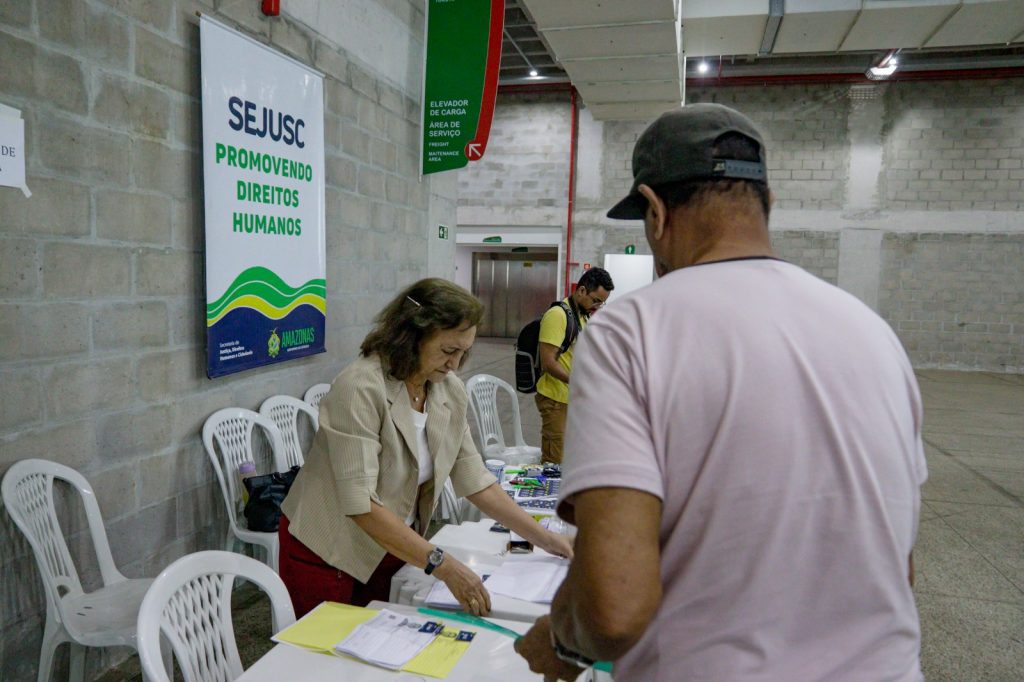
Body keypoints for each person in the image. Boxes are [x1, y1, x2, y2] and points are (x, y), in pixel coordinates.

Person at [515, 103, 927, 681]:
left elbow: (614, 606)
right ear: (768, 204)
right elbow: (896, 566)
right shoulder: (873, 334)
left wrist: (561, 640)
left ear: (655, 213)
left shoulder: (632, 333)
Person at [280, 278, 573, 618]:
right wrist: (444, 565)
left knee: (374, 649)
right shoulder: (361, 388)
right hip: (327, 547)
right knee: (327, 660)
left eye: (465, 352)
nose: (455, 365)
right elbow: (359, 504)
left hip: (389, 544)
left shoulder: (447, 390)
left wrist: (548, 540)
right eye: (449, 351)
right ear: (411, 336)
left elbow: (475, 479)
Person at [535, 267, 614, 464]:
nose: (597, 306)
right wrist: (577, 381)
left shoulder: (581, 315)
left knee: (570, 458)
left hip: (571, 398)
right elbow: (548, 362)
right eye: (595, 300)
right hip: (555, 400)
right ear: (581, 291)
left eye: (602, 303)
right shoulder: (558, 315)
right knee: (555, 461)